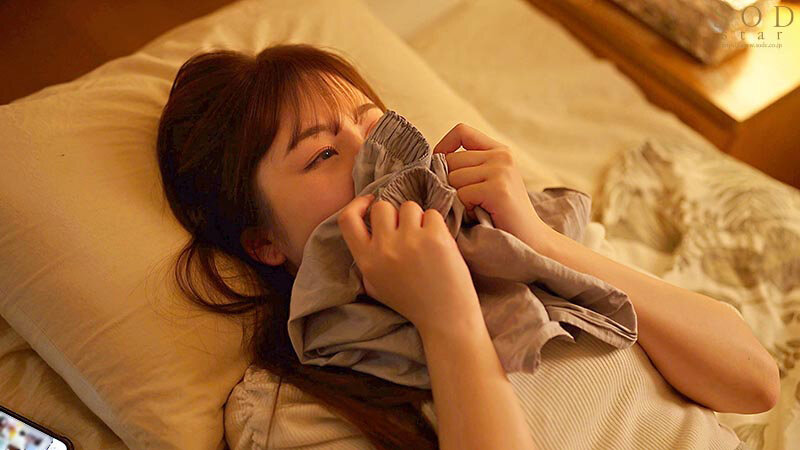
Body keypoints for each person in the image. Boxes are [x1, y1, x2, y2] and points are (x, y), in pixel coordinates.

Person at [155, 43, 778, 450]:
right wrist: (447, 320)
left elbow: (753, 384)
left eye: (374, 124)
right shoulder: (293, 412)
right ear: (266, 243)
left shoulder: (524, 237)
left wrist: (538, 241)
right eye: (322, 154)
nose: (374, 157)